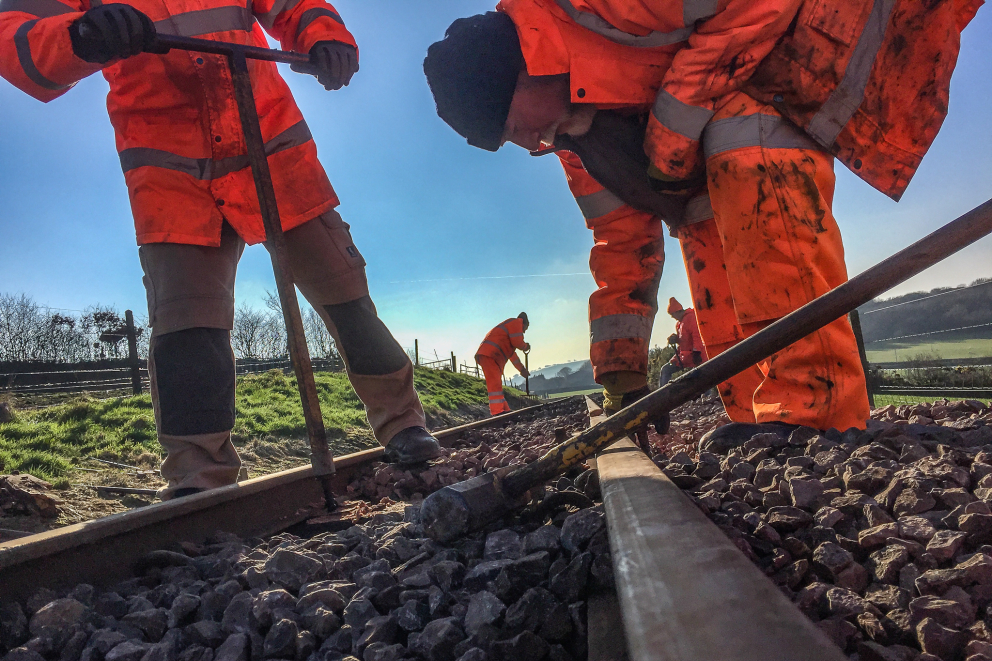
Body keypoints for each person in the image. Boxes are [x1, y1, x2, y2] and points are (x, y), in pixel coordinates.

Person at [421, 0, 977, 442]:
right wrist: (622, 372)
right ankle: (758, 416)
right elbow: (622, 243)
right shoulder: (574, 139)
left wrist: (671, 130)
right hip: (736, 104)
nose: (524, 144)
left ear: (524, 73)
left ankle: (817, 411)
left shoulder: (603, 5)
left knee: (739, 145)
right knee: (701, 234)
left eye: (511, 127)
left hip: (813, 39)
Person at [0, 0, 441, 497]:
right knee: (189, 332)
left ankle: (403, 424)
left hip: (271, 148)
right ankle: (198, 480)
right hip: (170, 171)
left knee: (347, 300)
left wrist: (322, 34)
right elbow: (17, 37)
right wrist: (78, 36)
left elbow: (291, 4)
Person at [475, 313, 530, 415]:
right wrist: (525, 346)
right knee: (494, 385)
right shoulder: (517, 322)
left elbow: (513, 356)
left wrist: (522, 369)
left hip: (490, 355)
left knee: (497, 384)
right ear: (524, 323)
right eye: (525, 329)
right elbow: (518, 342)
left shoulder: (508, 336)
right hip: (490, 355)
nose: (524, 332)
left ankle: (504, 410)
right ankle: (497, 412)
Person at [660, 298, 705, 387]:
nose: (672, 317)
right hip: (685, 357)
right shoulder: (679, 324)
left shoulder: (691, 317)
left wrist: (697, 353)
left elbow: (697, 336)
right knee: (665, 369)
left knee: (702, 376)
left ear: (677, 311)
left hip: (697, 356)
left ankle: (708, 398)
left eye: (672, 314)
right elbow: (683, 342)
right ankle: (662, 395)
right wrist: (675, 339)